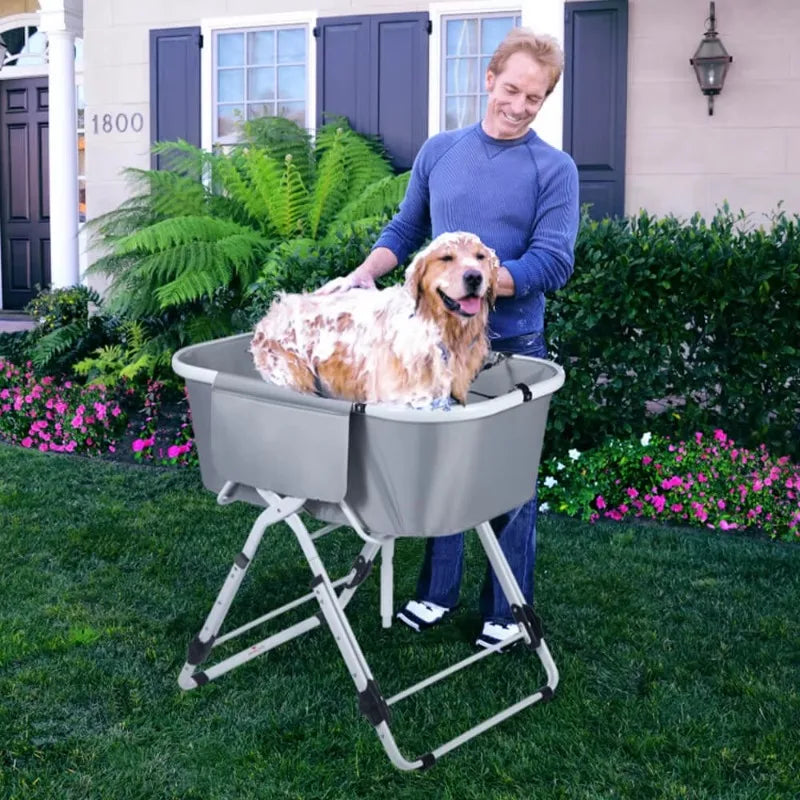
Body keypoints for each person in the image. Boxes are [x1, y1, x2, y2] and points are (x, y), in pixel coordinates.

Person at [322, 27, 580, 649]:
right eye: (512, 89)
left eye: (535, 98)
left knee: (506, 480)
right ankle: (438, 593)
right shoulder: (441, 152)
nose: (519, 105)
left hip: (511, 348)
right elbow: (407, 227)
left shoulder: (555, 169)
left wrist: (479, 286)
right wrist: (361, 276)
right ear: (489, 79)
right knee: (444, 470)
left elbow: (554, 261)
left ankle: (509, 607)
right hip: (434, 350)